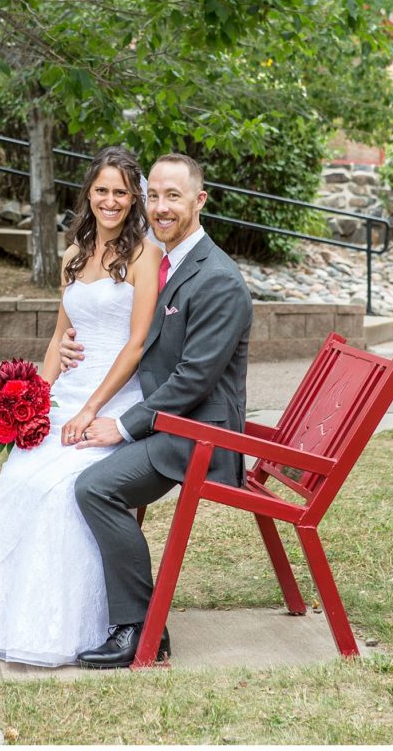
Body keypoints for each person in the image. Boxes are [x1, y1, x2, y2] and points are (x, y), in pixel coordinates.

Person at [0, 146, 162, 666]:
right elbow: (59, 336)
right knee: (9, 488)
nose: (110, 200)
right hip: (65, 397)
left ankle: (69, 627)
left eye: (121, 192)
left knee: (58, 495)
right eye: (102, 190)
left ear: (134, 200)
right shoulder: (73, 255)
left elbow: (136, 345)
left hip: (111, 399)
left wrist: (91, 410)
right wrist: (33, 402)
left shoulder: (144, 257)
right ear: (89, 193)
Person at [61, 153, 253, 668]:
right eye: (156, 196)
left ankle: (139, 629)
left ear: (199, 200)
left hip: (199, 437)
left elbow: (194, 379)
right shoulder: (168, 262)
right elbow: (140, 340)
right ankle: (83, 609)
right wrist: (70, 349)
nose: (162, 207)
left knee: (94, 486)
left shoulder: (218, 279)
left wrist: (121, 425)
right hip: (169, 421)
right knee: (71, 470)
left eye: (175, 196)